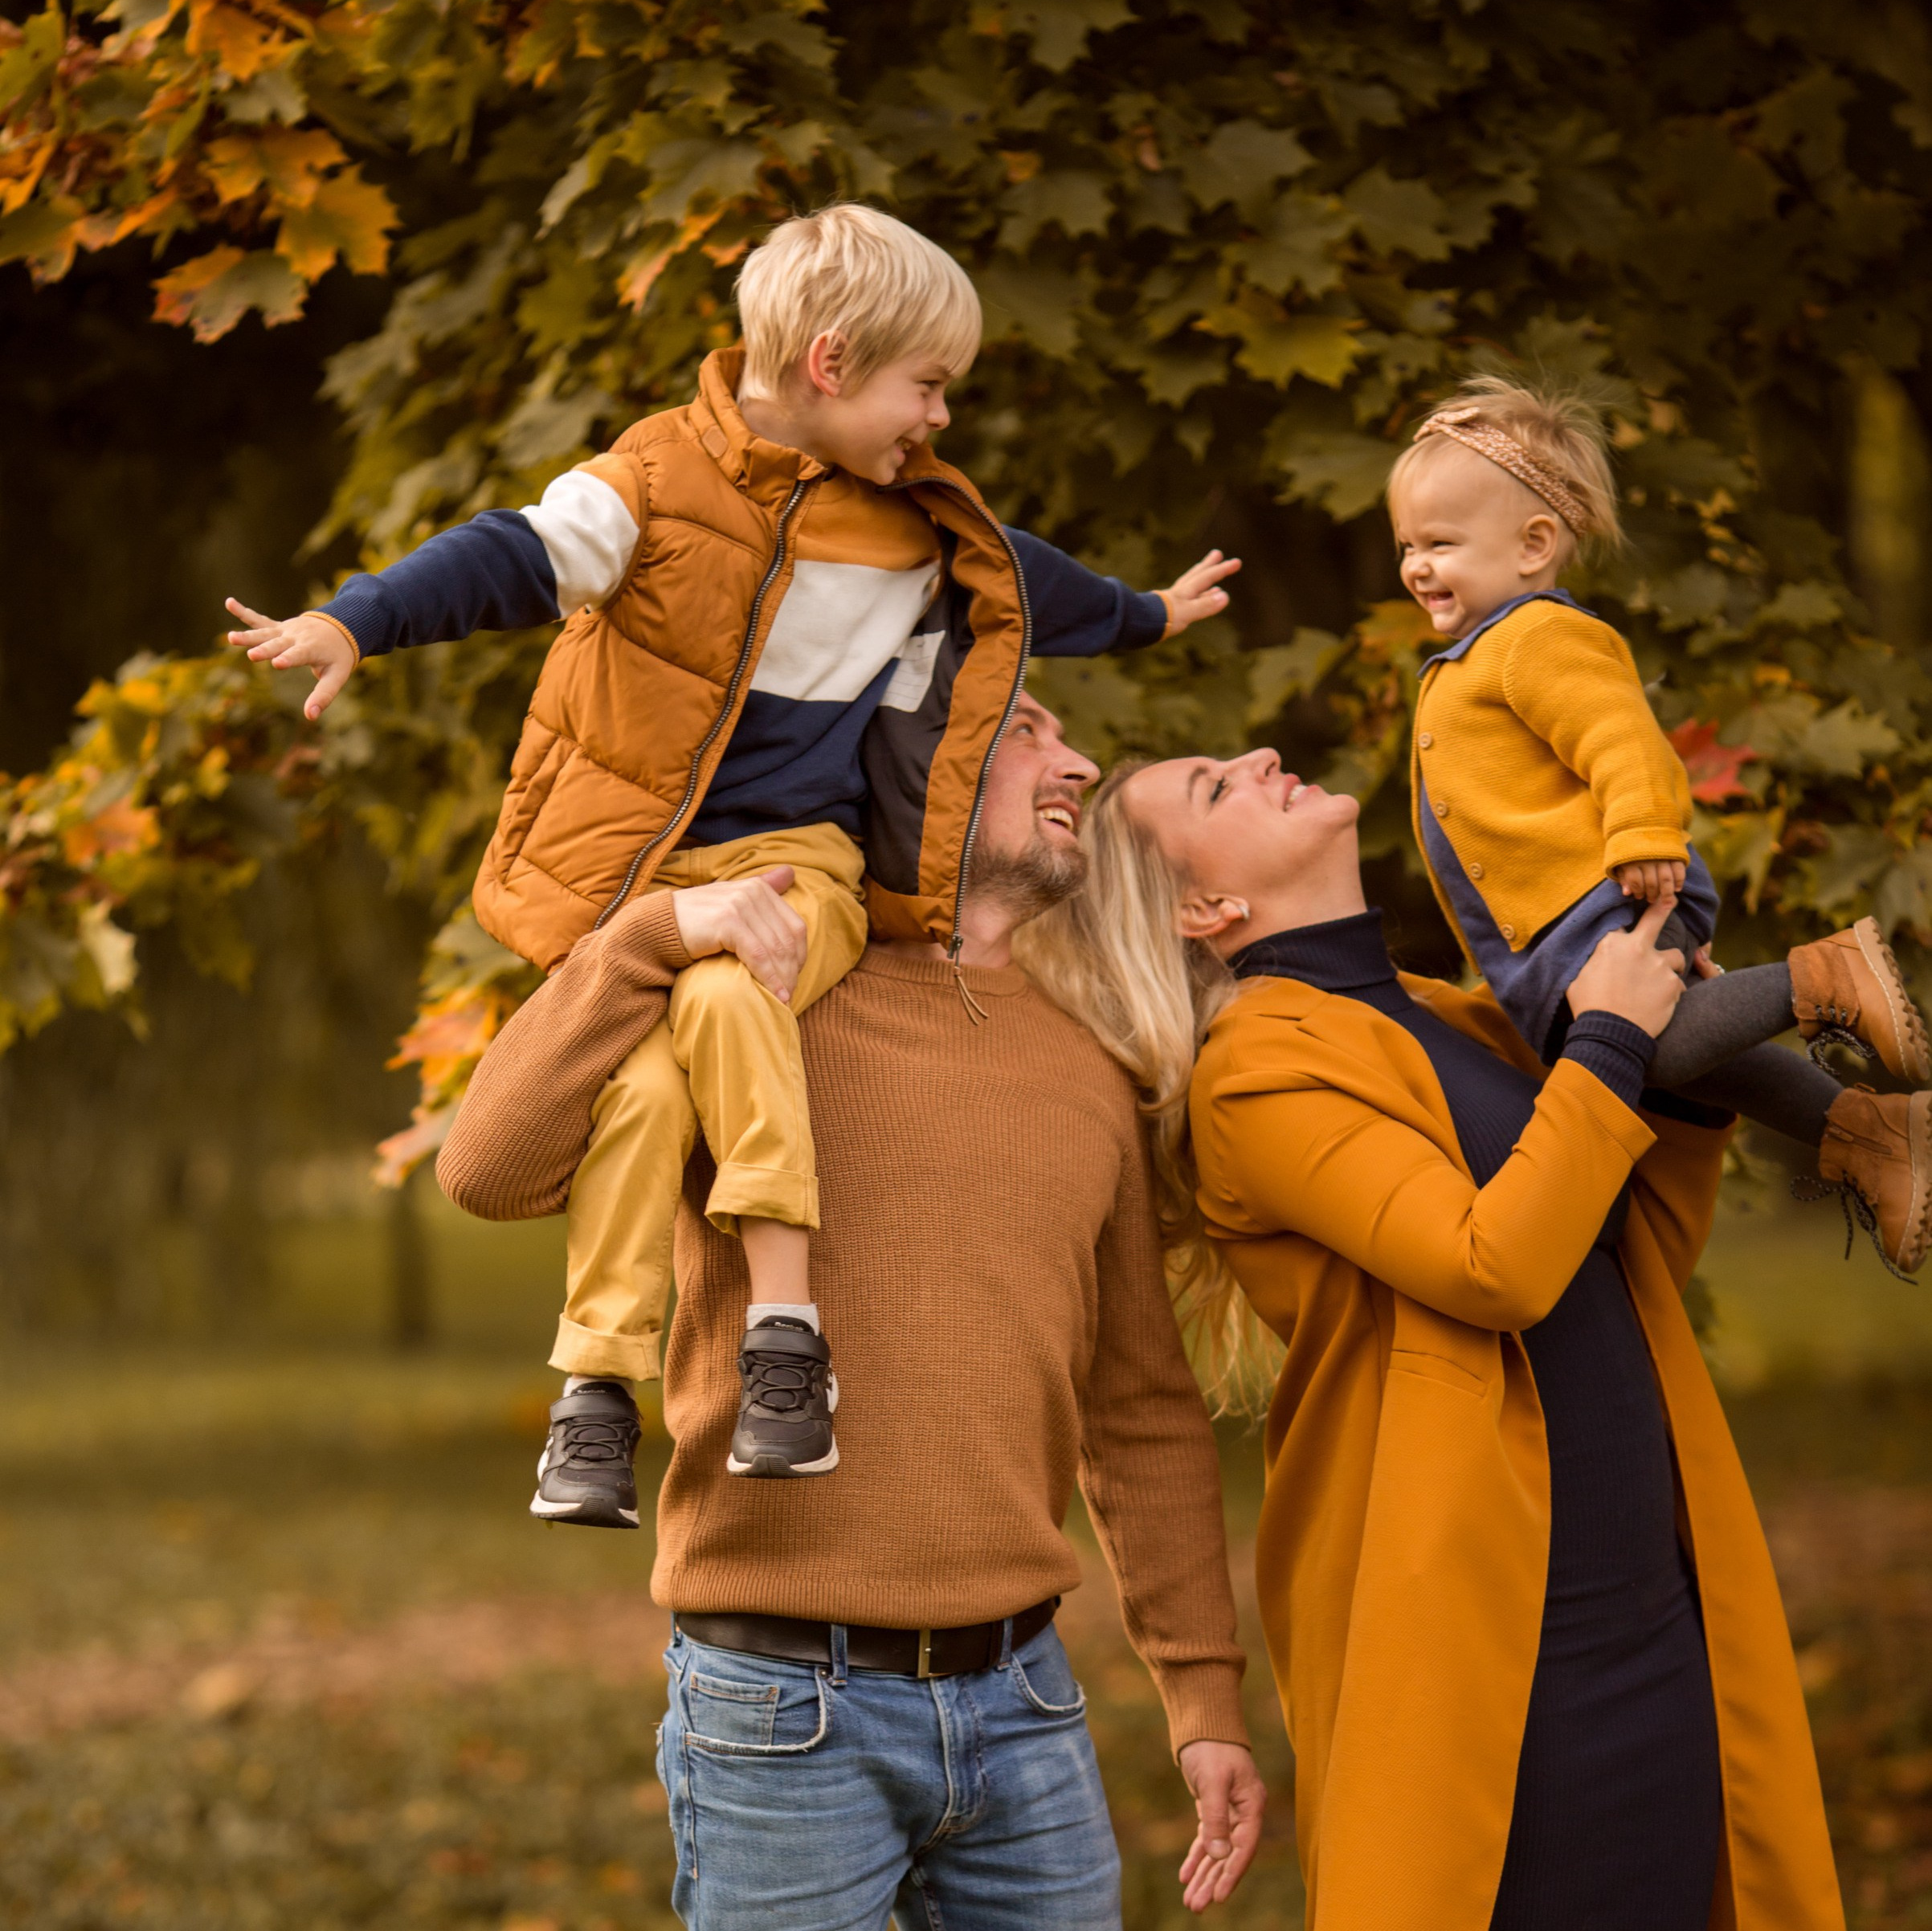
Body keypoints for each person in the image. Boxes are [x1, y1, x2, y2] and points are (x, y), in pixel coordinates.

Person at [222, 203, 1238, 1504]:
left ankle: (781, 1337)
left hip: (797, 861)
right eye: (925, 387)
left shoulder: (912, 526)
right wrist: (358, 621)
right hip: (652, 881)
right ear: (829, 364)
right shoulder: (646, 484)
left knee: (729, 988)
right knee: (642, 1092)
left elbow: (1026, 581)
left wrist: (1149, 614)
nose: (937, 420)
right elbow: (512, 554)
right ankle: (596, 1388)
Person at [435, 692, 1267, 1928]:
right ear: (911, 762)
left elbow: (1138, 1407)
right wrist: (650, 934)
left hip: (1027, 1702)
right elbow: (489, 1172)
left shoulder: (1089, 1063)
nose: (1077, 763)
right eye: (1026, 729)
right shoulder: (763, 985)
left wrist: (1202, 1699)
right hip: (780, 1710)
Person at [1017, 748, 1844, 1931]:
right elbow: (1489, 1265)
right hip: (1495, 1636)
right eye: (1214, 790)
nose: (1258, 756)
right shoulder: (1254, 1075)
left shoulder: (1446, 1010)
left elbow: (1620, 1243)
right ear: (1208, 911)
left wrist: (1677, 1076)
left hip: (1647, 1593)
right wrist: (1607, 1041)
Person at [1388, 375, 1931, 1271]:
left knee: (1653, 1045)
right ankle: (1871, 1135)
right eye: (1405, 544)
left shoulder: (1536, 637)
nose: (1414, 565)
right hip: (1544, 937)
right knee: (1661, 1062)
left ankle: (1824, 978)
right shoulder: (1477, 654)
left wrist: (1642, 836)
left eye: (1439, 543)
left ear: (1533, 546)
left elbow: (1620, 737)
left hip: (1595, 899)